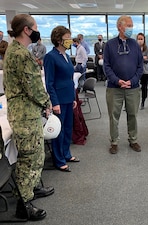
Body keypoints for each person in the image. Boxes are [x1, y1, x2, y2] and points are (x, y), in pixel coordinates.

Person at [3, 14, 53, 221]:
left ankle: (30, 189)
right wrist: (47, 103)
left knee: (35, 155)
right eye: (35, 27)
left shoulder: (14, 50)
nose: (37, 31)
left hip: (24, 113)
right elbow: (33, 87)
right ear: (26, 30)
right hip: (25, 115)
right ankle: (24, 205)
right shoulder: (22, 55)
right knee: (28, 159)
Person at [103, 15, 143, 154]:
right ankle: (114, 142)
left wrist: (131, 81)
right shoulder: (110, 45)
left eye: (132, 25)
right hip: (115, 88)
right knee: (114, 116)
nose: (131, 28)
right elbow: (106, 66)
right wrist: (117, 81)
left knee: (133, 115)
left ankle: (133, 140)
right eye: (129, 25)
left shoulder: (135, 45)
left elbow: (140, 67)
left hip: (133, 88)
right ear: (120, 27)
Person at [44, 25, 80, 172]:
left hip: (68, 98)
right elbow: (49, 83)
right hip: (58, 100)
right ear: (59, 40)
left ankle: (66, 154)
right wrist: (55, 102)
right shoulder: (50, 57)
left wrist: (73, 98)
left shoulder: (65, 56)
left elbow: (70, 79)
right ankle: (58, 160)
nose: (70, 41)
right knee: (58, 131)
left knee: (67, 128)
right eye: (67, 38)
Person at [136, 33, 148, 109]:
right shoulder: (134, 48)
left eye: (141, 39)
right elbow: (133, 59)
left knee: (144, 87)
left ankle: (143, 102)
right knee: (134, 87)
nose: (140, 40)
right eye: (138, 39)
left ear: (144, 40)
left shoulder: (147, 49)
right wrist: (143, 57)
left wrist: (140, 58)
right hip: (136, 71)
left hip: (145, 71)